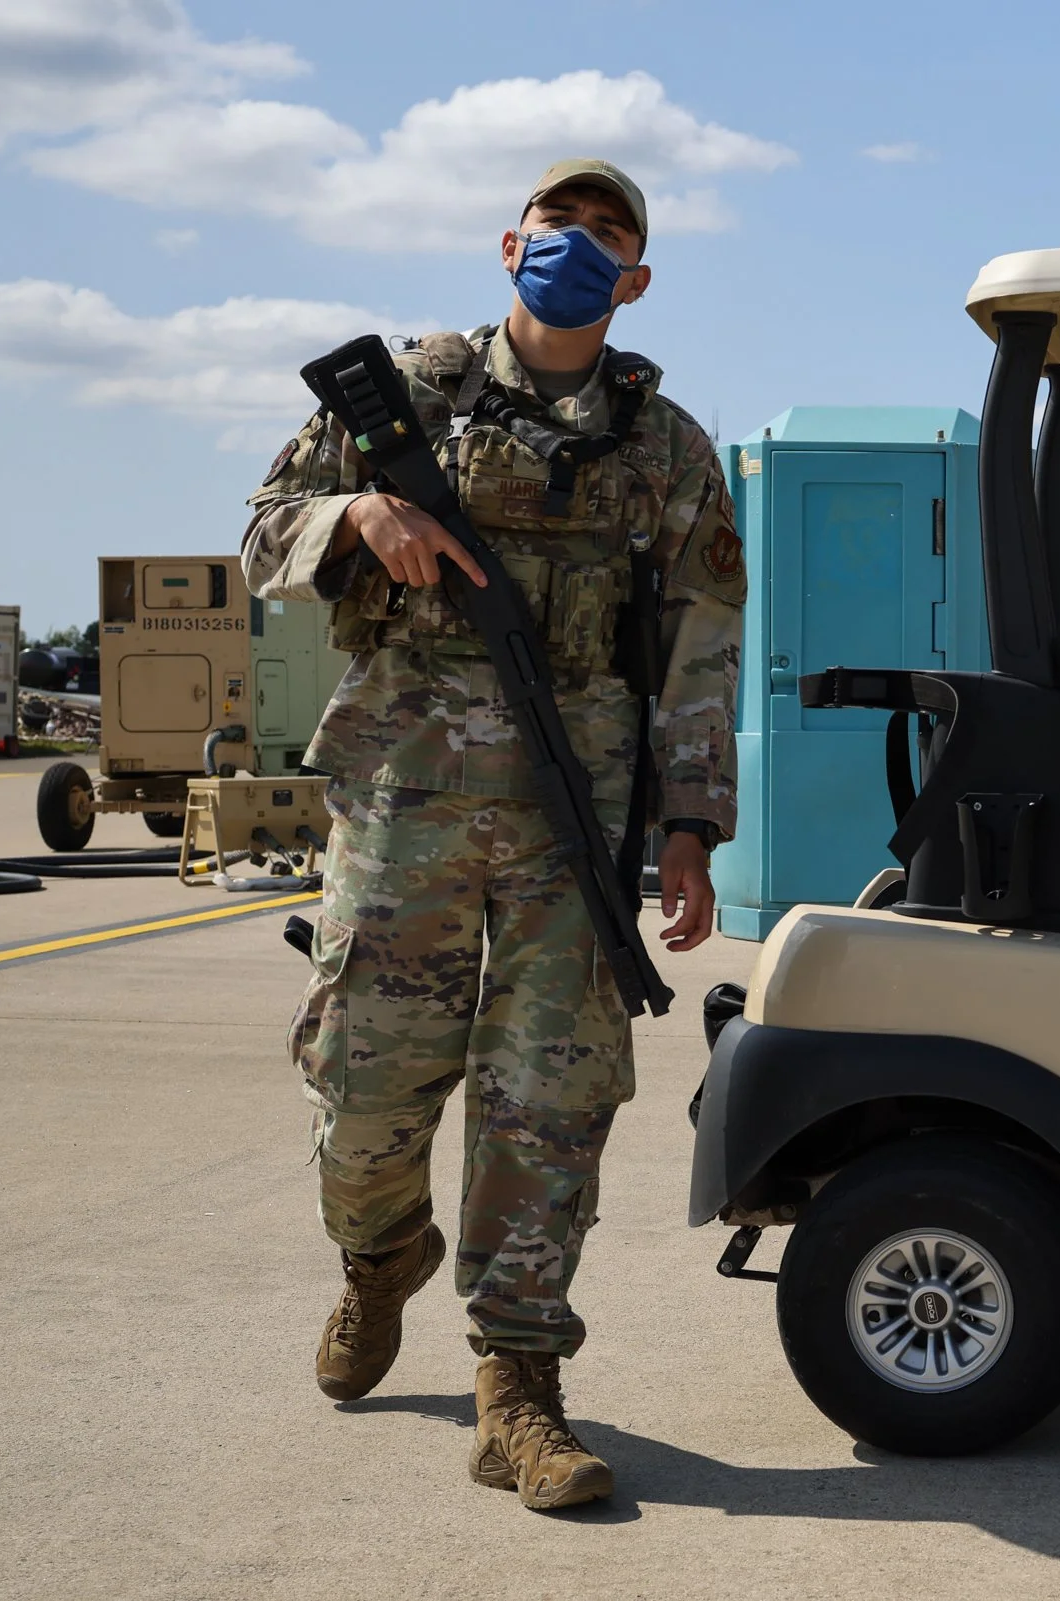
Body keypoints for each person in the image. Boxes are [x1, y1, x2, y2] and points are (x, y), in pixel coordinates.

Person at [242, 158, 744, 1510]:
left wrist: (691, 827)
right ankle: (377, 1254)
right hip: (401, 805)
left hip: (570, 823)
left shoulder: (668, 446)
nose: (579, 247)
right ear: (508, 243)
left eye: (609, 237)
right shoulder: (402, 402)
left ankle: (517, 1388)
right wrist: (362, 510)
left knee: (551, 1105)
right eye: (559, 225)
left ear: (635, 281)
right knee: (360, 1093)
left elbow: (701, 651)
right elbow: (263, 531)